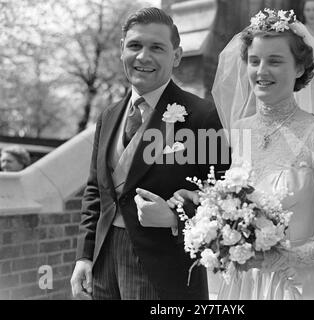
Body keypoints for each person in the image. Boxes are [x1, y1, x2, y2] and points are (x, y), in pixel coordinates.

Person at [169, 9, 314, 299]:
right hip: (242, 286)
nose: (261, 71)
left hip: (297, 285)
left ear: (300, 69)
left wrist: (288, 257)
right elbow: (230, 203)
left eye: (275, 61)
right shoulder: (236, 132)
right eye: (254, 61)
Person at [70, 7, 229, 300]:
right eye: (135, 45)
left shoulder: (203, 116)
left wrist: (174, 218)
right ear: (122, 50)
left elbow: (224, 200)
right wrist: (84, 256)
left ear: (177, 56)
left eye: (156, 47)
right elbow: (95, 191)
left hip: (164, 271)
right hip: (104, 264)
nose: (143, 56)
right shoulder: (109, 116)